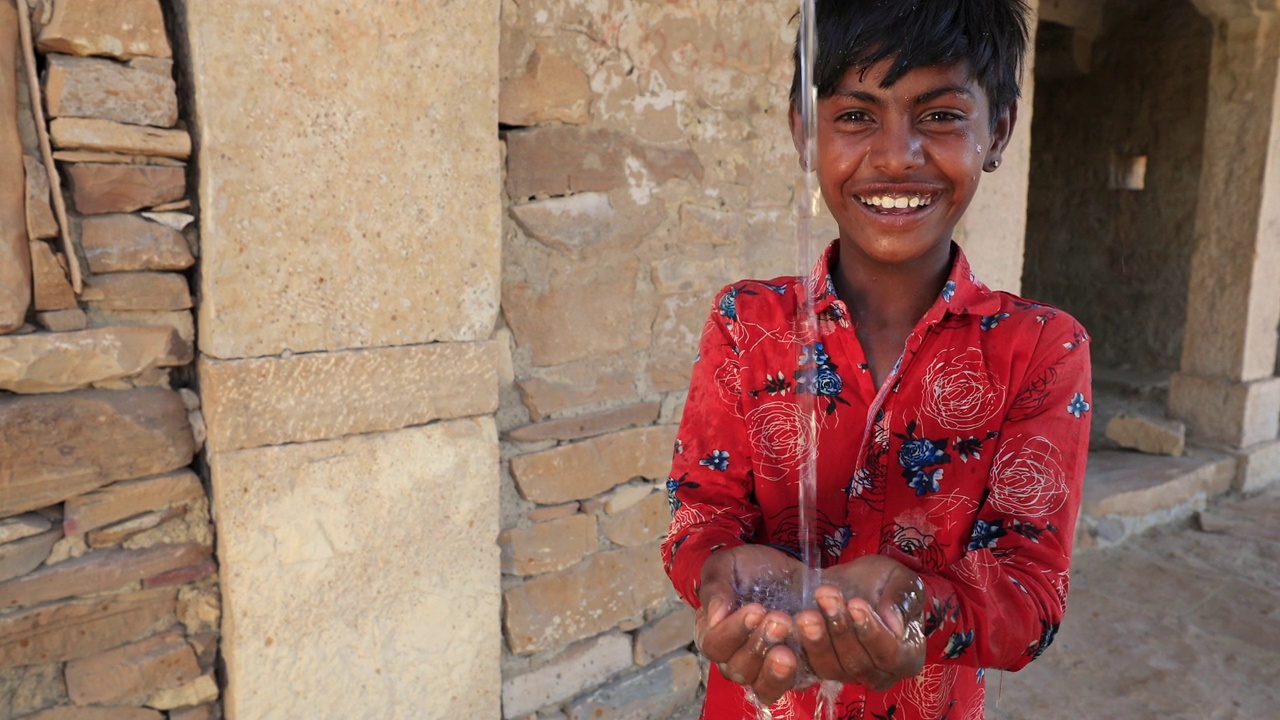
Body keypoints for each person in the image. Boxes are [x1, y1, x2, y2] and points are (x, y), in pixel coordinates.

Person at [660, 1, 1092, 718]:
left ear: (999, 130)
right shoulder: (747, 322)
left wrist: (917, 611)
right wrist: (718, 575)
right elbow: (700, 514)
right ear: (805, 132)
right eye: (856, 116)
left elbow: (1031, 596)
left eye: (941, 115)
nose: (896, 154)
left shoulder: (1041, 349)